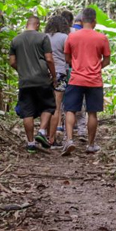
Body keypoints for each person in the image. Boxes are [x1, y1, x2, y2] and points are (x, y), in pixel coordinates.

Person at [62, 8, 111, 155]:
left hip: (76, 78)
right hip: (94, 80)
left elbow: (67, 58)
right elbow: (107, 60)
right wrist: (96, 67)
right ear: (94, 21)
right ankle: (90, 144)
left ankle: (69, 140)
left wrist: (77, 65)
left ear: (82, 21)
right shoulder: (102, 38)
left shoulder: (72, 36)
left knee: (70, 109)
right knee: (92, 112)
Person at [9, 15, 56, 153]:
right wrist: (53, 76)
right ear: (37, 25)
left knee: (27, 112)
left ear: (26, 24)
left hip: (25, 81)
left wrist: (22, 70)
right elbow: (49, 59)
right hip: (42, 79)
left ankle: (30, 143)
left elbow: (12, 62)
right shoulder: (42, 37)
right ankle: (41, 131)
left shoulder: (15, 40)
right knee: (48, 105)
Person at [45, 14, 72, 146]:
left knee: (46, 107)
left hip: (45, 74)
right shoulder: (65, 38)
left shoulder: (44, 37)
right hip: (60, 72)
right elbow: (69, 56)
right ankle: (52, 138)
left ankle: (43, 134)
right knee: (56, 107)